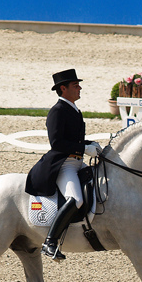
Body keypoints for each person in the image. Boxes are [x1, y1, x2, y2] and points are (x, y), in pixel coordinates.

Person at [25, 69, 101, 261]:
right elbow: (57, 143)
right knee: (76, 199)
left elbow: (74, 139)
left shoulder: (74, 109)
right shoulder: (57, 111)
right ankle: (50, 242)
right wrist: (84, 148)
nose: (80, 88)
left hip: (77, 162)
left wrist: (89, 144)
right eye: (75, 86)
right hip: (64, 165)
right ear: (63, 88)